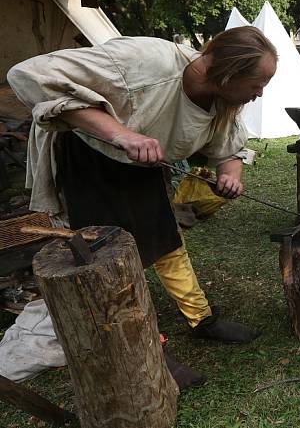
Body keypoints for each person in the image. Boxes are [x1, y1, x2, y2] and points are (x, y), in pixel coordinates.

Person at [8, 26, 274, 389]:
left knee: (165, 242)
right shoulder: (145, 61)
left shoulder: (223, 98)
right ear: (229, 73)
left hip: (145, 163)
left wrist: (230, 173)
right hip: (90, 162)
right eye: (258, 84)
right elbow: (27, 75)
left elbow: (228, 149)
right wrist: (122, 134)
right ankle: (151, 348)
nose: (259, 94)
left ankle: (202, 320)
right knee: (111, 262)